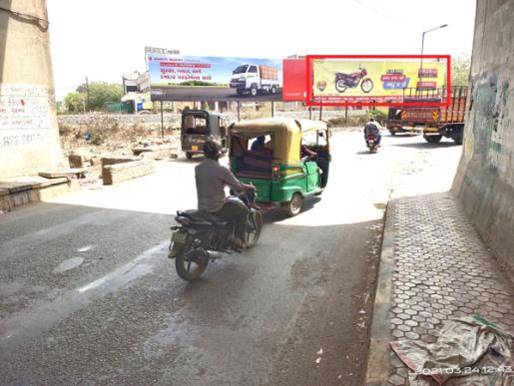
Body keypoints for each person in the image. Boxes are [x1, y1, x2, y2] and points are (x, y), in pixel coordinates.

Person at [195, 139, 255, 248]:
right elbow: (238, 186)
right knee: (243, 210)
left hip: (202, 207)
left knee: (231, 204)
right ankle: (237, 239)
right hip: (216, 208)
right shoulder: (222, 170)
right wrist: (249, 187)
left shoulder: (198, 168)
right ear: (217, 154)